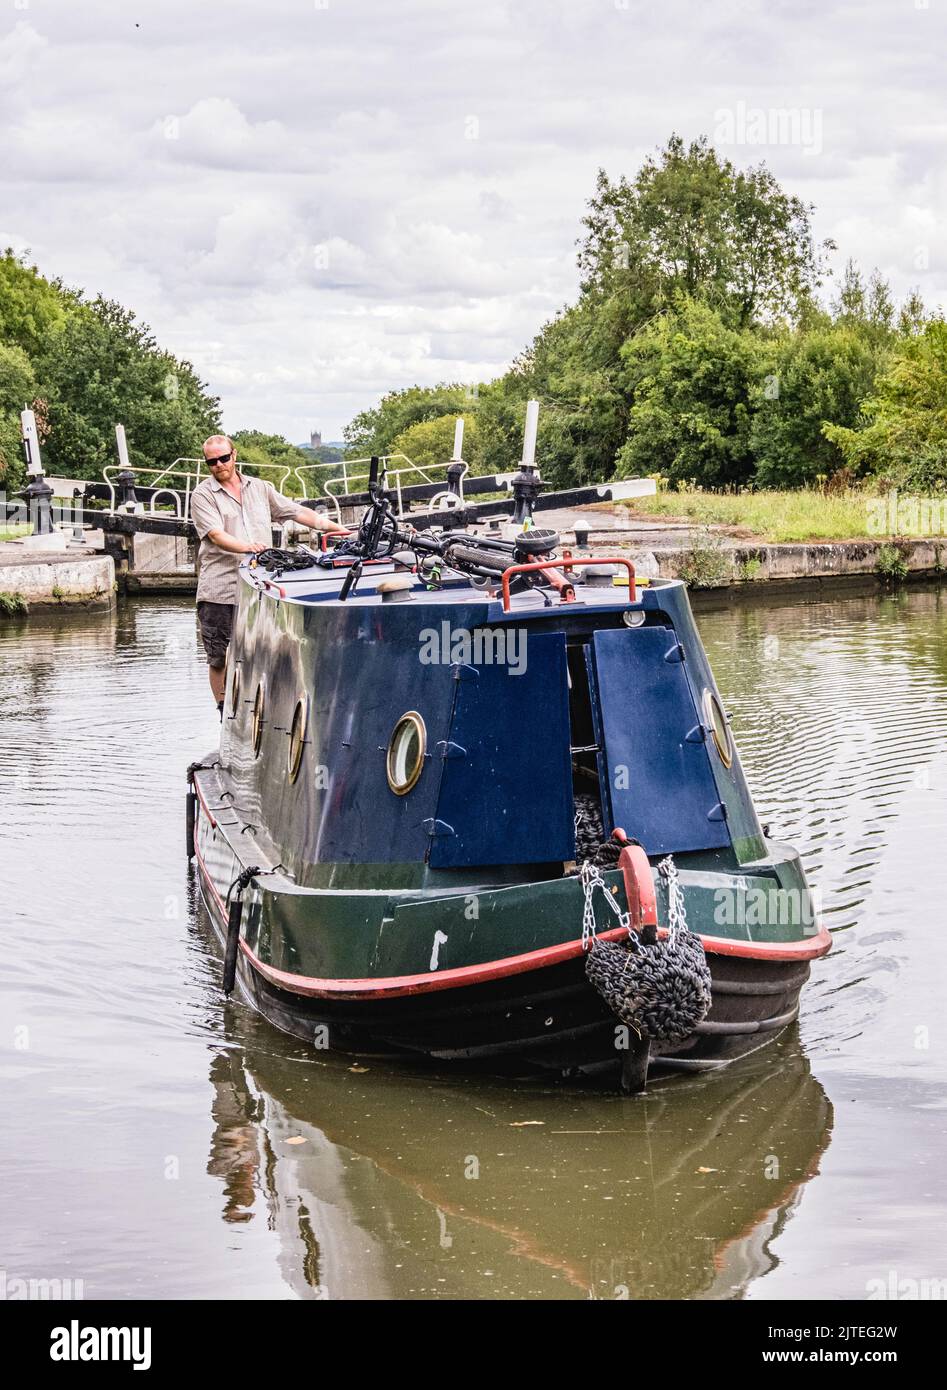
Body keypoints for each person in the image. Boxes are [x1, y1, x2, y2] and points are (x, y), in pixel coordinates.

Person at [190, 434, 347, 715]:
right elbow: (215, 535)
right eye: (211, 462)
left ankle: (260, 712)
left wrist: (334, 528)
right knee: (219, 656)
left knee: (262, 651)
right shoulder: (202, 495)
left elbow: (296, 512)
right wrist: (247, 547)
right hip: (221, 588)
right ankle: (224, 713)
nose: (219, 465)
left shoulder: (260, 488)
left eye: (223, 458)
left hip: (261, 585)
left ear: (234, 456)